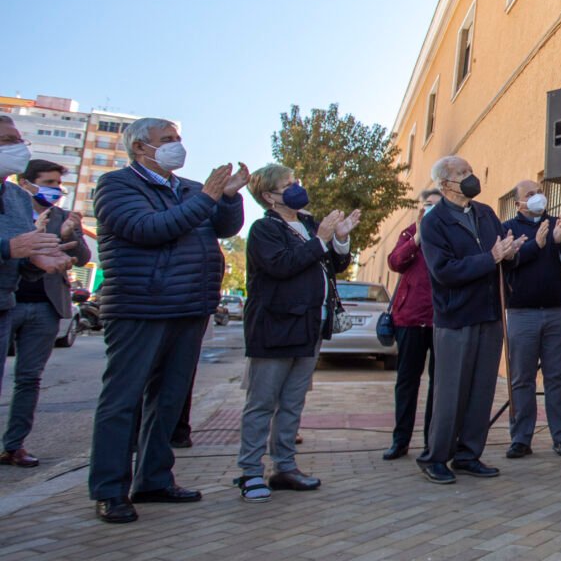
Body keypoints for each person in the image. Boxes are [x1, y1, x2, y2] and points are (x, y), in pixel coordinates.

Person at [88, 118, 248, 524]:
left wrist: (228, 198)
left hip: (189, 307)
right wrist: (208, 197)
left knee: (169, 401)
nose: (177, 146)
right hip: (140, 307)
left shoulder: (191, 189)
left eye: (178, 139)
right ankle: (110, 489)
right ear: (141, 148)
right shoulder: (116, 186)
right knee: (123, 401)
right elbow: (147, 229)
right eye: (167, 140)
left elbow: (226, 227)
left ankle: (154, 479)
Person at [234, 164, 358, 502]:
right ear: (269, 196)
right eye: (288, 184)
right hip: (275, 327)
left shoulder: (307, 224)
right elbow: (282, 265)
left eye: (296, 181)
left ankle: (284, 466)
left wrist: (341, 237)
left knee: (292, 402)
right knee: (262, 403)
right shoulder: (264, 229)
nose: (297, 187)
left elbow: (335, 265)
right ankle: (249, 472)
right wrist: (321, 240)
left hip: (309, 327)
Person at [416, 156, 524, 484]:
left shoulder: (486, 213)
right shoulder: (433, 223)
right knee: (451, 393)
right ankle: (435, 456)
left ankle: (468, 454)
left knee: (482, 390)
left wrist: (511, 253)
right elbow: (444, 271)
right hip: (456, 318)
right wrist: (491, 257)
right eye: (463, 173)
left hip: (489, 313)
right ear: (445, 183)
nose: (471, 177)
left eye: (470, 171)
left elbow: (502, 256)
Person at [1, 160, 91, 468]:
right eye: (49, 182)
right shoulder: (12, 208)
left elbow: (82, 257)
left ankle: (14, 446)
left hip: (46, 304)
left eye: (58, 184)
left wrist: (73, 235)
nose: (56, 189)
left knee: (29, 379)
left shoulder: (63, 217)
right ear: (26, 183)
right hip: (9, 299)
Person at [501, 179, 561, 459]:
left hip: (557, 313)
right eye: (530, 194)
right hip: (521, 314)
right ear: (519, 202)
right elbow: (507, 264)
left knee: (557, 376)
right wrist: (536, 245)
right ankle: (521, 438)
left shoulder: (560, 223)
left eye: (539, 192)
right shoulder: (507, 228)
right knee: (522, 378)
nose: (537, 198)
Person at [382, 188, 442, 461]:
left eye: (436, 205)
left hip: (441, 319)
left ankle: (433, 439)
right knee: (407, 382)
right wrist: (417, 236)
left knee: (438, 383)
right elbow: (395, 262)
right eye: (427, 205)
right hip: (409, 319)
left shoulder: (448, 234)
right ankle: (400, 440)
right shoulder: (409, 233)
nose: (431, 209)